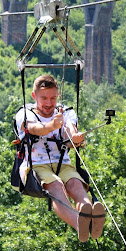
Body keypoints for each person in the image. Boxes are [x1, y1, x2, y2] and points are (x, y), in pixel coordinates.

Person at [15, 74, 106, 242]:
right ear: (34, 96)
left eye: (53, 98)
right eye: (44, 98)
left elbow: (69, 130)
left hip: (62, 163)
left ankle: (89, 213)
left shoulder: (66, 112)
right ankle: (81, 225)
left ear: (58, 96)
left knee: (75, 184)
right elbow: (35, 129)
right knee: (55, 186)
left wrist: (75, 137)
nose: (49, 103)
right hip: (36, 166)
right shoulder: (24, 114)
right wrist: (52, 125)